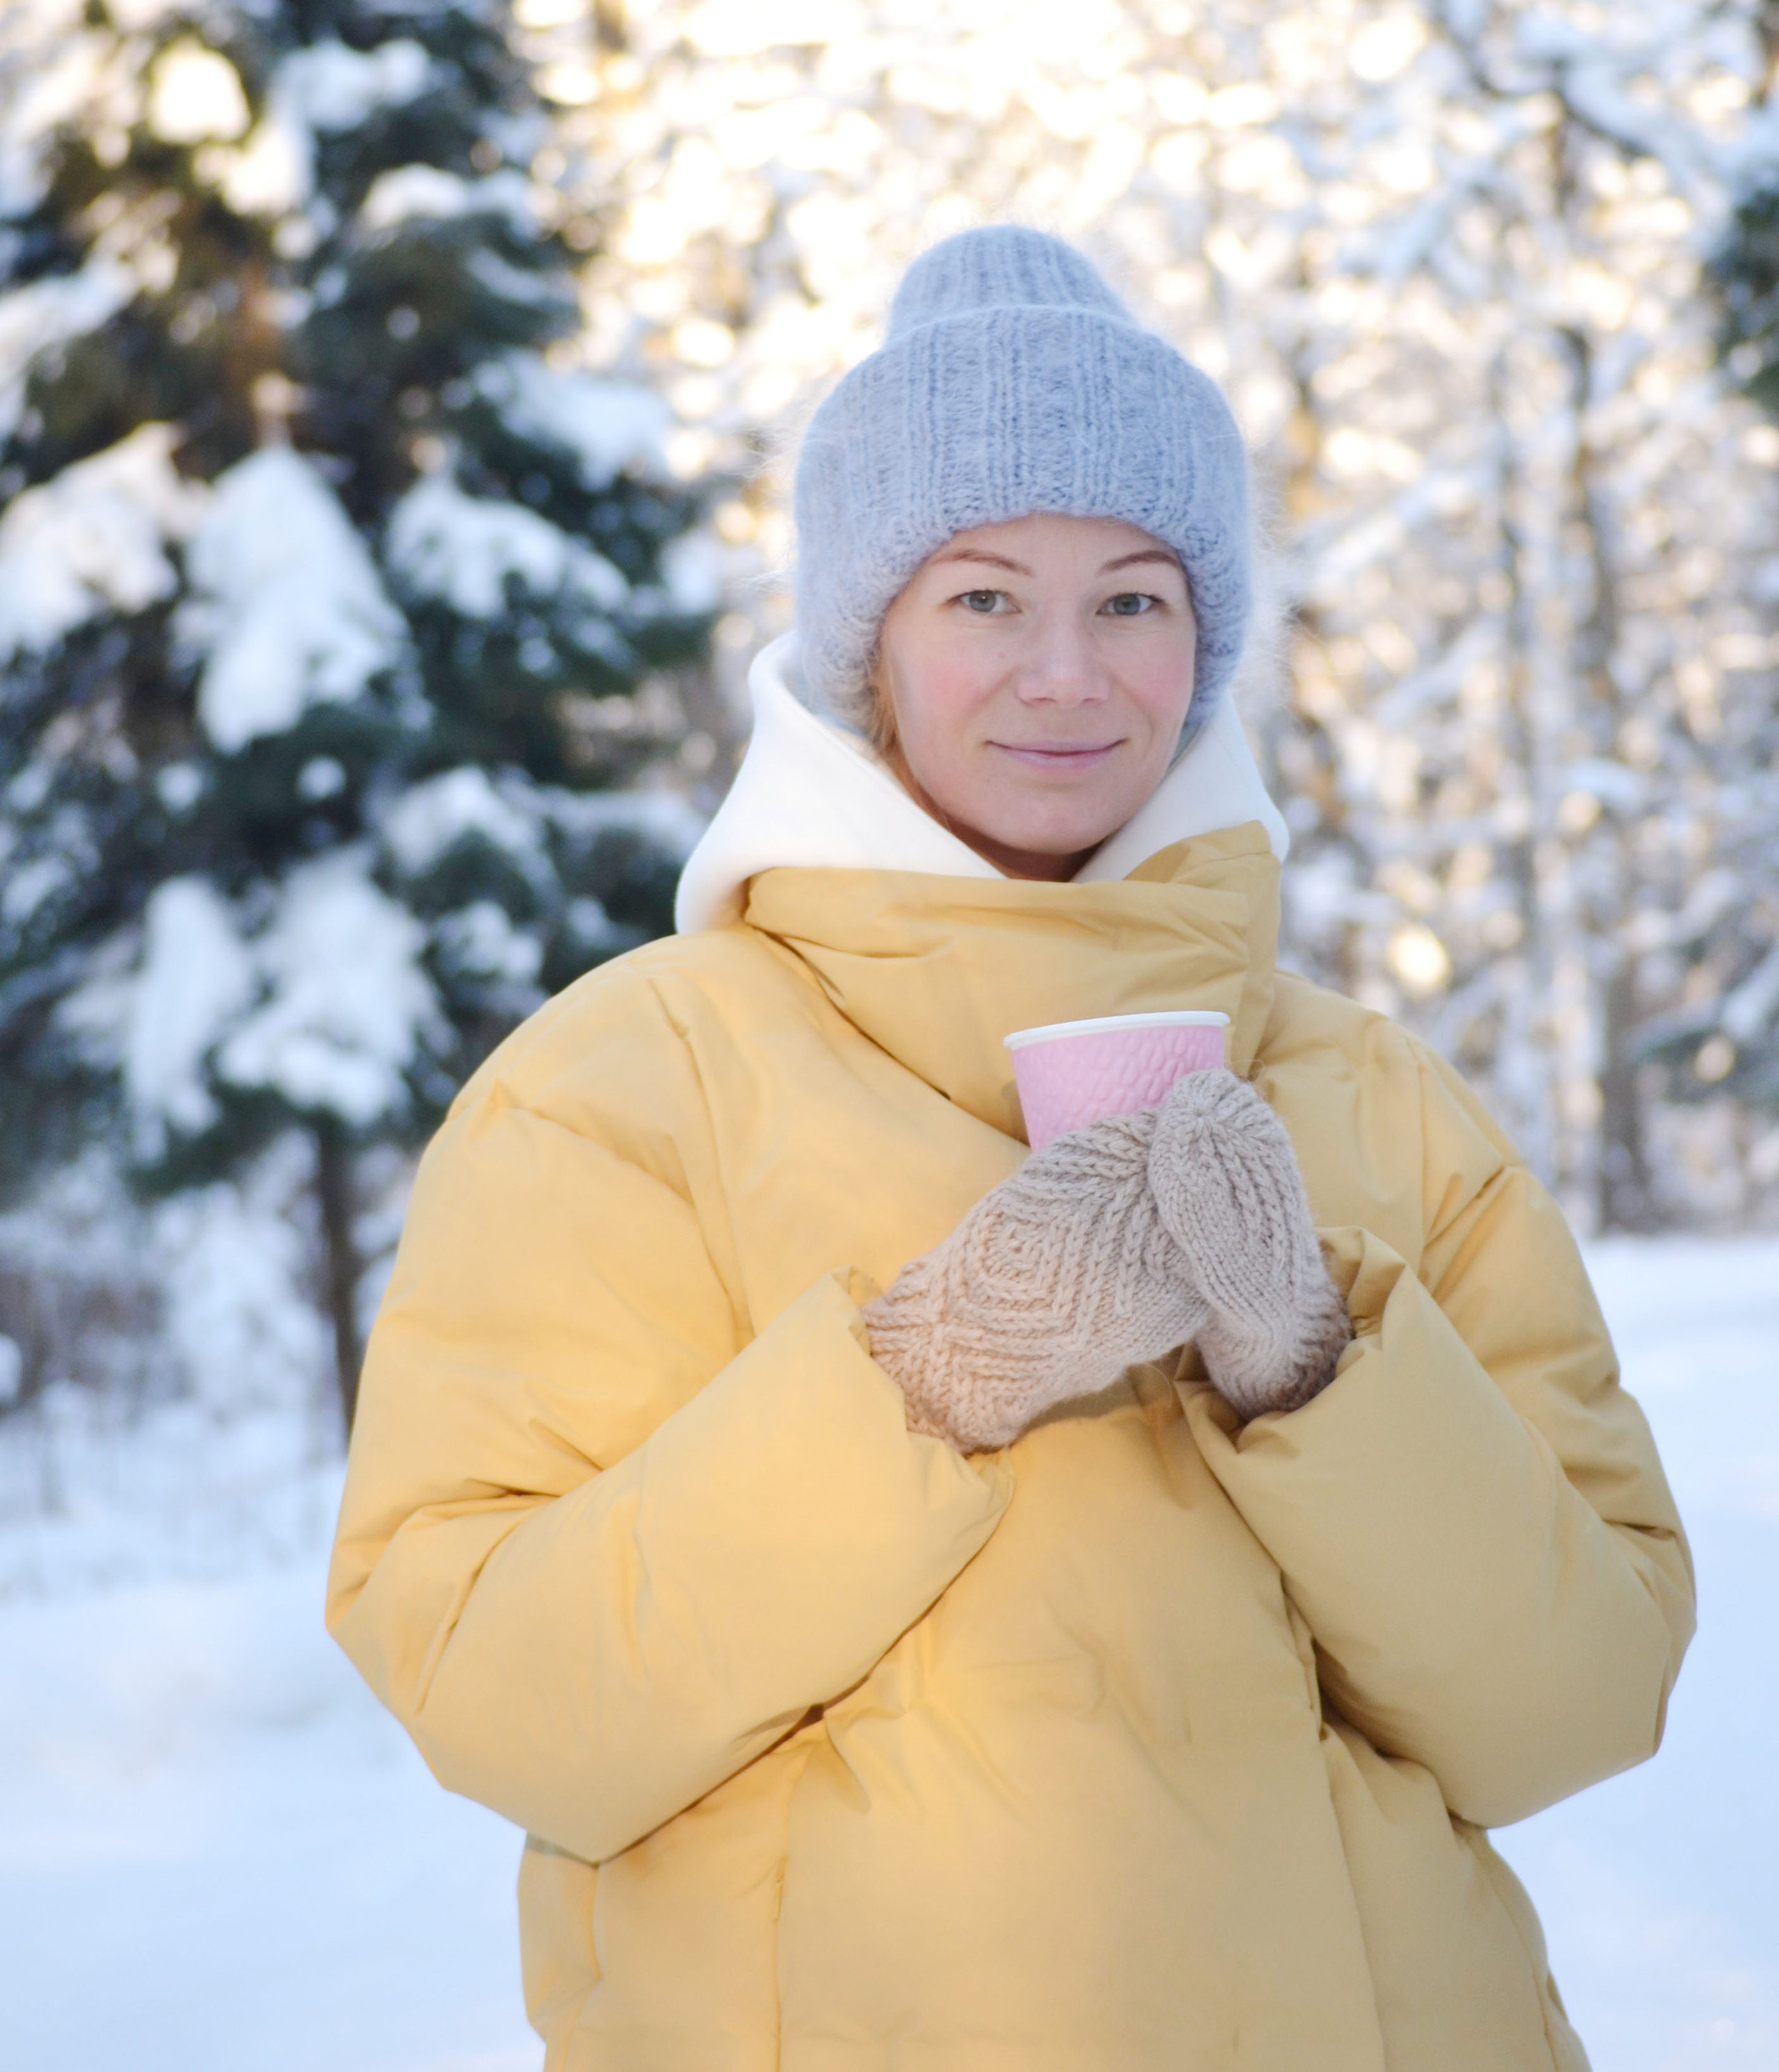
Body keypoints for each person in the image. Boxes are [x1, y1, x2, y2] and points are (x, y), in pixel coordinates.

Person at [328, 226, 1693, 2072]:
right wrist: (927, 1376)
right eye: (984, 596)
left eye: (1134, 598)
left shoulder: (1376, 1102)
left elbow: (1581, 1703)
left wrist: (1324, 1373)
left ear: (1204, 639)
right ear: (867, 636)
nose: (1068, 670)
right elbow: (499, 1693)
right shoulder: (627, 1084)